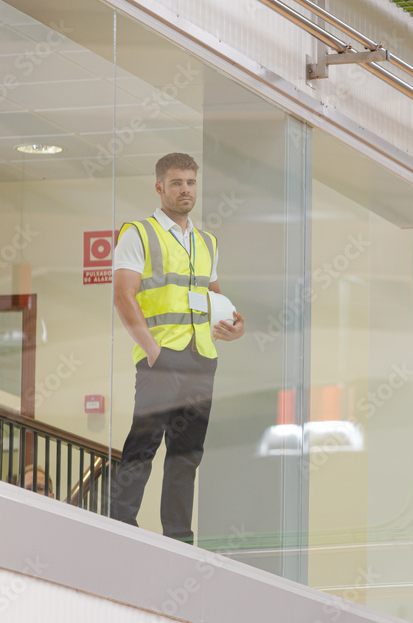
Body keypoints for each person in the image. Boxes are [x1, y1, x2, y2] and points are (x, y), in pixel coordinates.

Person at [110, 152, 244, 542]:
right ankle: (120, 525)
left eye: (190, 183)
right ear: (160, 187)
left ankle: (179, 536)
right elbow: (123, 296)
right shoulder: (139, 233)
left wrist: (235, 325)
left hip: (201, 358)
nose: (185, 190)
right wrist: (153, 351)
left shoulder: (207, 242)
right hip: (161, 357)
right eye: (176, 183)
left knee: (187, 453)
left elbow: (215, 298)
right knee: (144, 443)